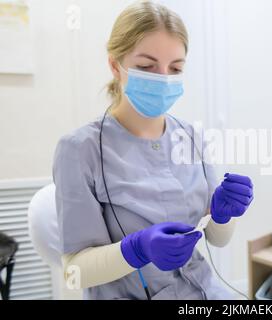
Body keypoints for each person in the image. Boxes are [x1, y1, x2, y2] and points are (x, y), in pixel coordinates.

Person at [52, 1, 254, 300]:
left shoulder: (192, 137)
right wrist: (136, 249)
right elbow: (74, 273)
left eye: (175, 68)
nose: (163, 78)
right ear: (114, 65)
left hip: (202, 291)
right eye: (147, 67)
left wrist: (223, 216)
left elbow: (217, 239)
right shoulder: (80, 150)